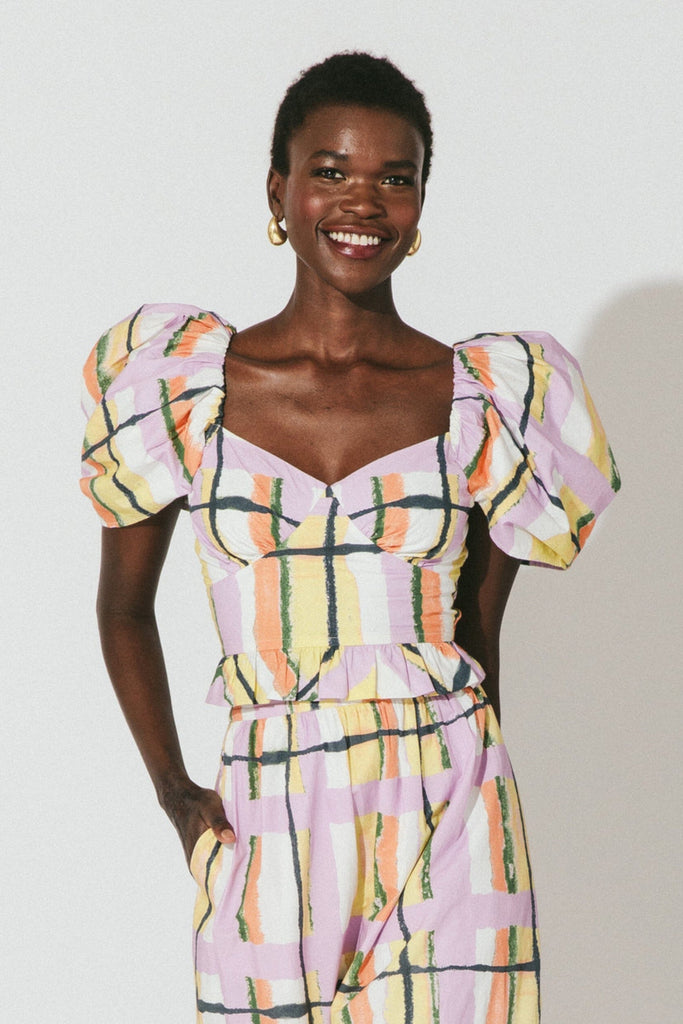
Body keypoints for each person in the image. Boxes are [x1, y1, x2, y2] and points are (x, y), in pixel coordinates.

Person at [80, 52, 620, 1024]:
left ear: (419, 204)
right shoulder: (183, 388)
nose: (361, 201)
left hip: (449, 813)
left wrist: (481, 812)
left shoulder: (484, 399)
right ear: (278, 192)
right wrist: (175, 794)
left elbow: (477, 640)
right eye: (329, 171)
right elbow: (123, 607)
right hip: (269, 817)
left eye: (393, 177)